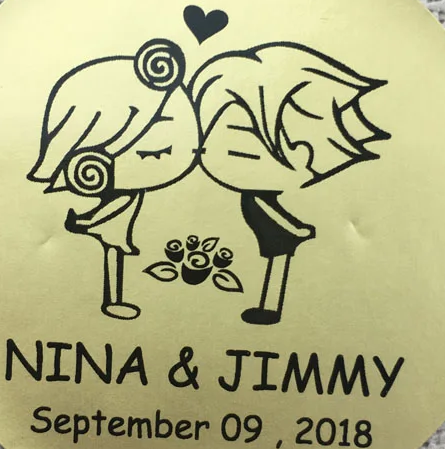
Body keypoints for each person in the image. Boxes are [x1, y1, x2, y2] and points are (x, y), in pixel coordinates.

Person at [191, 41, 389, 325]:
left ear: (301, 152)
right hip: (279, 235)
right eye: (212, 131)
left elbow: (277, 218)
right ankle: (268, 306)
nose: (210, 147)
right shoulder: (252, 196)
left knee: (276, 265)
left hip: (282, 238)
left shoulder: (258, 197)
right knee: (273, 264)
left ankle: (269, 308)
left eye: (241, 133)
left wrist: (296, 230)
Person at [28, 39, 198, 320]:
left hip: (115, 196)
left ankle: (113, 295)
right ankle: (113, 299)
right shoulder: (123, 186)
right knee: (114, 242)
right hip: (112, 199)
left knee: (115, 242)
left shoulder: (130, 190)